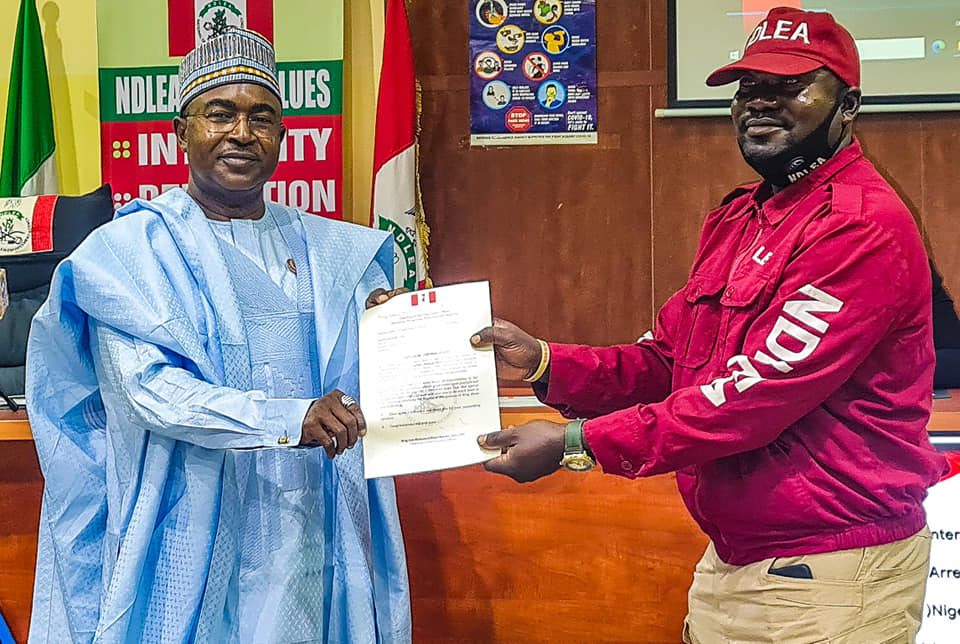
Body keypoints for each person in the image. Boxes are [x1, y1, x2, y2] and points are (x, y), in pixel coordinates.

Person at [470, 8, 947, 643]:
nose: (760, 103)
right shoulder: (739, 219)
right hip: (737, 561)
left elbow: (750, 399)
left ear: (848, 105)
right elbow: (671, 363)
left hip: (829, 574)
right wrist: (544, 361)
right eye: (750, 88)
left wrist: (576, 443)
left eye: (789, 86)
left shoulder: (859, 226)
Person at [26, 29, 410, 643]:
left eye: (262, 117)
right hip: (185, 522)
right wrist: (288, 418)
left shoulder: (334, 252)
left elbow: (367, 385)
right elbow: (149, 392)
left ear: (282, 134)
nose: (242, 133)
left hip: (308, 518)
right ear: (182, 132)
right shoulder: (128, 253)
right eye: (220, 113)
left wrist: (398, 336)